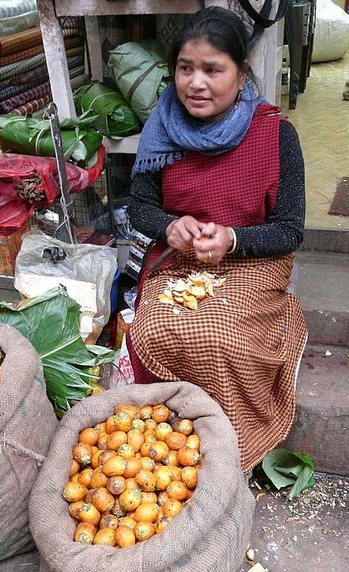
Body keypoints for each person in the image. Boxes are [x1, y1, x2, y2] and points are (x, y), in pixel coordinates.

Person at [126, 6, 307, 474]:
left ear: (242, 74)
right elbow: (141, 207)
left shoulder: (274, 133)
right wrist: (169, 227)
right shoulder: (161, 128)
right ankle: (170, 442)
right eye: (185, 68)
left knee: (218, 334)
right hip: (180, 261)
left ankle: (229, 446)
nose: (195, 83)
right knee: (151, 329)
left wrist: (231, 239)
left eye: (212, 69)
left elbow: (289, 229)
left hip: (252, 258)